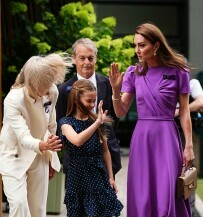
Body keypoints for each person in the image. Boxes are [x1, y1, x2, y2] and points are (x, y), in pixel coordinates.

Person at [109, 23, 195, 217]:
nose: (137, 50)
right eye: (135, 45)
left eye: (142, 45)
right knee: (143, 194)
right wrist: (115, 90)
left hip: (167, 138)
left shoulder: (179, 70)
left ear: (156, 46)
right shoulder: (134, 72)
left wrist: (188, 145)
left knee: (168, 192)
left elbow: (184, 112)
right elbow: (120, 111)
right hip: (142, 138)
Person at [0, 53, 68, 217]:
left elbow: (51, 125)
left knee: (38, 209)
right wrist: (42, 145)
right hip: (14, 154)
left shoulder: (51, 91)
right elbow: (23, 137)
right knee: (19, 204)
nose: (47, 90)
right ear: (32, 82)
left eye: (49, 84)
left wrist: (51, 156)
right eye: (42, 86)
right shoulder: (13, 99)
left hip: (40, 155)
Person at [56, 38, 121, 176]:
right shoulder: (63, 90)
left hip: (106, 156)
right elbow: (59, 123)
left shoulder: (108, 84)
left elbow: (115, 117)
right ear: (74, 59)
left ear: (96, 58)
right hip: (76, 160)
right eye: (82, 58)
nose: (87, 62)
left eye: (90, 58)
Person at [58, 79, 123, 217]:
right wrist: (97, 123)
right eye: (89, 101)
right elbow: (77, 140)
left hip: (98, 175)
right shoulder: (65, 122)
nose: (92, 105)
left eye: (94, 101)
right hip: (77, 177)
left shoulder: (98, 122)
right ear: (76, 100)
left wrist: (111, 177)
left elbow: (105, 151)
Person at [175, 78, 203, 216]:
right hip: (169, 132)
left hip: (188, 134)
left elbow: (200, 102)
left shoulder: (192, 83)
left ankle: (190, 210)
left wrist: (179, 109)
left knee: (188, 170)